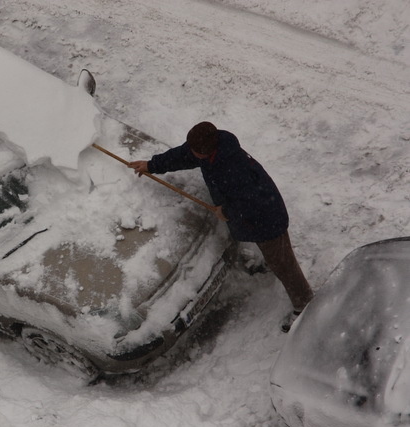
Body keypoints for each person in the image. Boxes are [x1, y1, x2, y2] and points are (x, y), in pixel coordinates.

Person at [128, 121, 313, 332]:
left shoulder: (232, 166)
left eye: (194, 151)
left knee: (283, 263)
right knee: (276, 256)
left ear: (206, 151)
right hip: (253, 216)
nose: (191, 153)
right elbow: (182, 156)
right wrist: (151, 165)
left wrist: (226, 211)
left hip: (266, 216)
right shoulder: (211, 148)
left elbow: (251, 200)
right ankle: (271, 263)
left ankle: (304, 303)